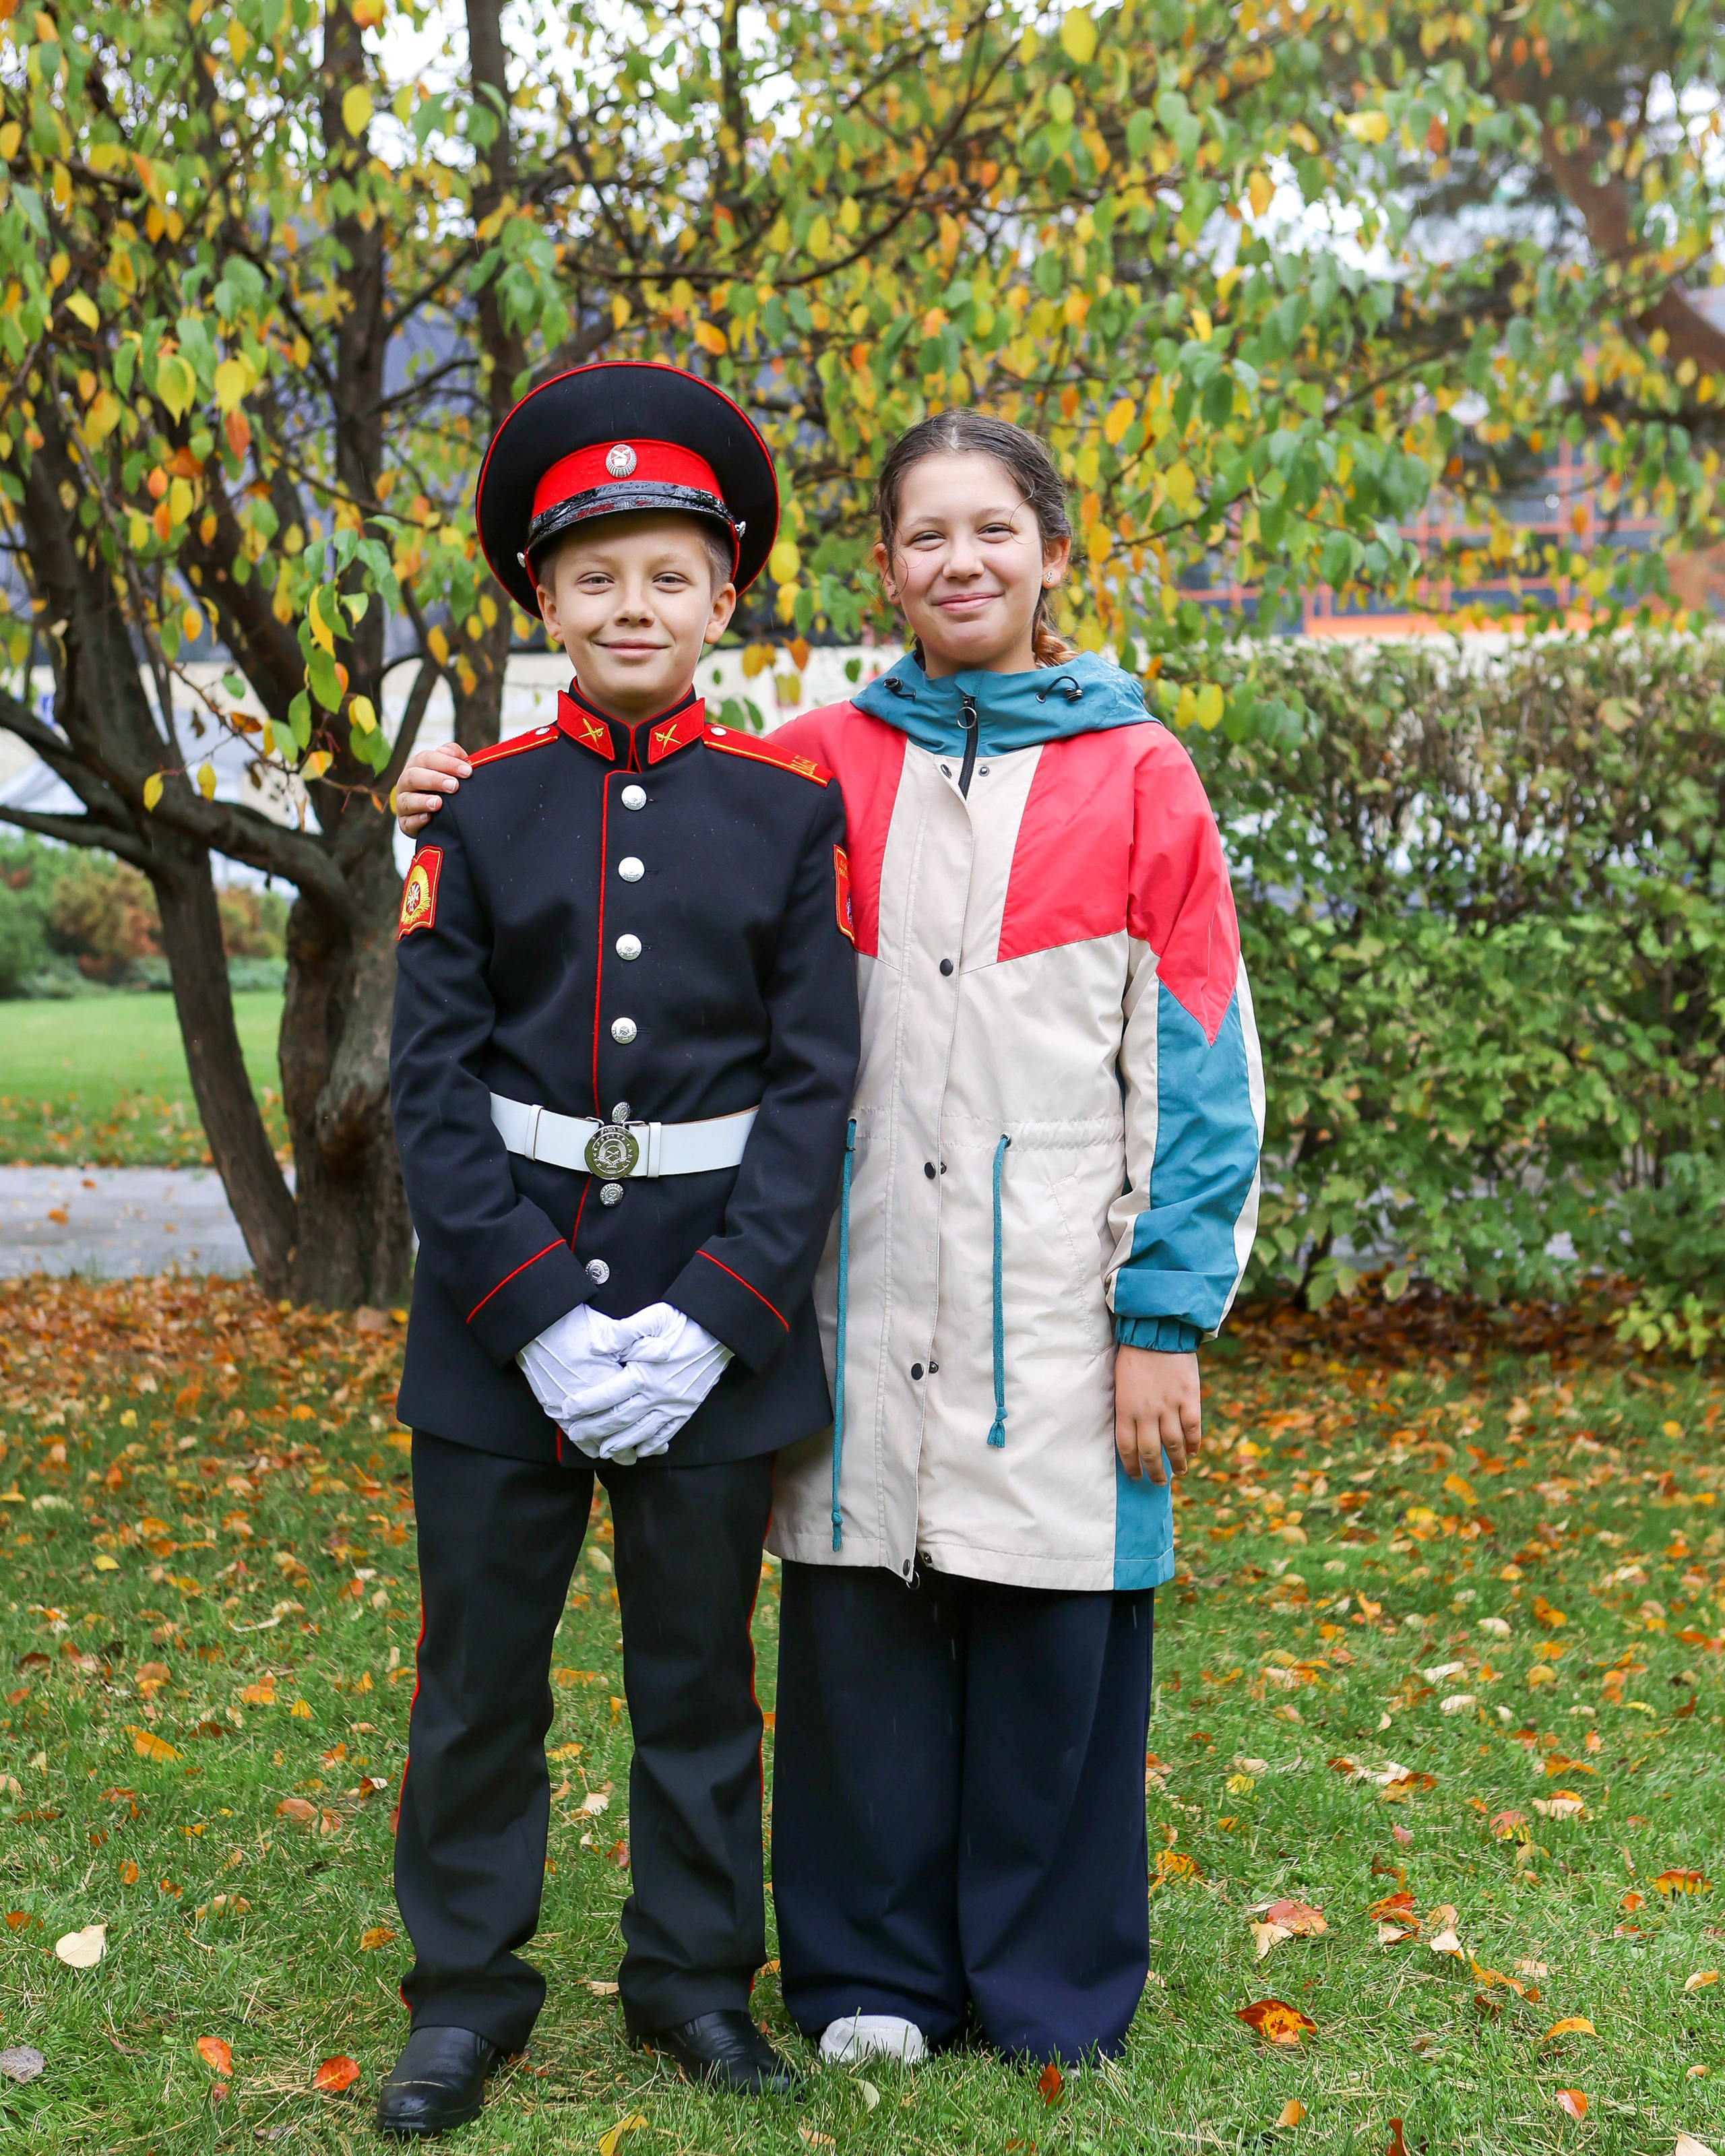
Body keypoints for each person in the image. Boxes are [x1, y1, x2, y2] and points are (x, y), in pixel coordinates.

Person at [394, 407, 1262, 2074]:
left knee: (938, 1652)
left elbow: (1164, 1058)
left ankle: (908, 1985)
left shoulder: (1115, 769)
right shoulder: (805, 762)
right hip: (718, 1302)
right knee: (717, 1657)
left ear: (1049, 553)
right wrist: (435, 795)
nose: (960, 561)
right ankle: (687, 1981)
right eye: (926, 535)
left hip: (966, 1287)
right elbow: (525, 942)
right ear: (883, 566)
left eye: (992, 531)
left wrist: (1158, 1310)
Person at [381, 360, 859, 2136]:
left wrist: (719, 1320)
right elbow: (433, 1094)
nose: (631, 605)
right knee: (480, 1675)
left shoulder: (788, 815)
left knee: (698, 1686)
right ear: (542, 601)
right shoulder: (472, 813)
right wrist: (534, 1322)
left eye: (668, 574)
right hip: (498, 1323)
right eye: (594, 577)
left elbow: (816, 1092)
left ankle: (688, 1982)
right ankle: (463, 1991)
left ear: (725, 599)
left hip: (706, 1309)